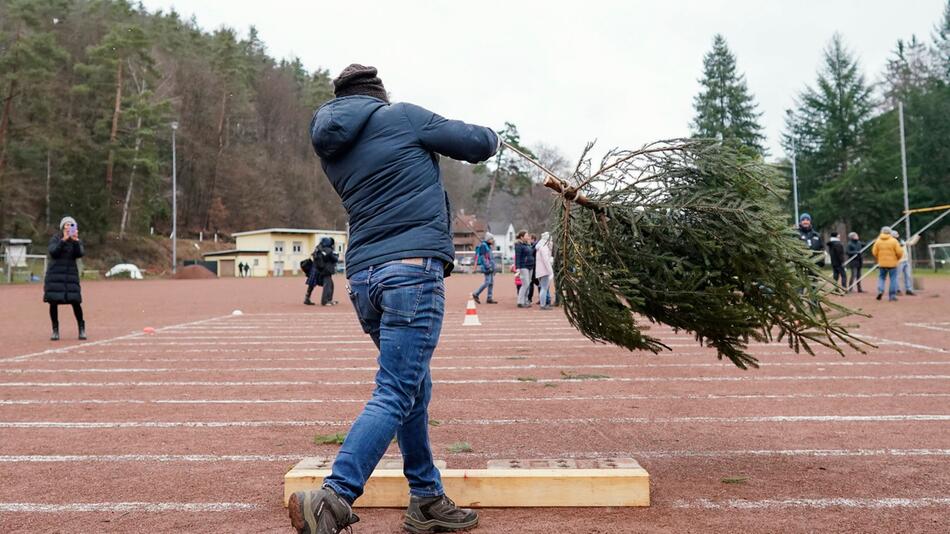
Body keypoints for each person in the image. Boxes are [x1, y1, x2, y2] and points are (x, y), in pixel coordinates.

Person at [290, 63, 498, 534]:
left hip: (364, 276)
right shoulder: (399, 116)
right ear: (377, 95)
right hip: (411, 272)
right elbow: (474, 143)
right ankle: (334, 496)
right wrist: (496, 138)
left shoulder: (330, 143)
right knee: (396, 391)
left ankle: (426, 498)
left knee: (413, 389)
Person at [44, 216, 86, 341]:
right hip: (55, 275)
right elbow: (53, 252)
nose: (69, 227)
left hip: (70, 275)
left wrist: (76, 241)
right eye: (67, 225)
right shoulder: (56, 238)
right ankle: (55, 330)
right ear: (62, 227)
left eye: (71, 225)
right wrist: (63, 240)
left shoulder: (76, 240)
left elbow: (79, 254)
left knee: (76, 302)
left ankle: (81, 328)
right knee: (53, 302)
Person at [872, 226, 903, 301]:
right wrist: (897, 258)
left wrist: (879, 257)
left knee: (881, 278)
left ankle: (880, 290)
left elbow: (874, 252)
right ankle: (892, 295)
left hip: (882, 263)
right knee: (893, 279)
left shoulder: (878, 241)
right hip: (892, 264)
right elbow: (899, 252)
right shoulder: (894, 241)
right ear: (890, 232)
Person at [471, 232, 497, 304]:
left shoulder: (489, 246)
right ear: (488, 239)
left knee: (491, 283)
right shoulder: (483, 246)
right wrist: (488, 266)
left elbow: (490, 257)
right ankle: (476, 293)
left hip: (491, 266)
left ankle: (489, 298)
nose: (493, 240)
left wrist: (494, 266)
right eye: (491, 239)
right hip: (487, 267)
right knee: (487, 282)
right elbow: (483, 258)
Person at [316, 237, 340, 305]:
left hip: (323, 270)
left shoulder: (321, 249)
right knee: (327, 286)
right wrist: (336, 256)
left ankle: (329, 299)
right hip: (327, 270)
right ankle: (325, 301)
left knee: (331, 285)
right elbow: (335, 259)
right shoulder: (328, 250)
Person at [891, 230, 915, 296]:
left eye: (897, 234)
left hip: (906, 260)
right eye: (895, 235)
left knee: (908, 276)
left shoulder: (901, 241)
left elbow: (911, 243)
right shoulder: (893, 243)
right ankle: (897, 290)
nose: (896, 235)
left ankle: (909, 289)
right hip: (899, 261)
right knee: (897, 276)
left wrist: (917, 236)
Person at [514, 230, 534, 308]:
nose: (528, 237)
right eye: (526, 235)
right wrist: (518, 268)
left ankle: (525, 301)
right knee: (525, 284)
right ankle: (520, 301)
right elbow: (517, 257)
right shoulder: (518, 245)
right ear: (522, 237)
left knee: (528, 284)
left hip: (530, 266)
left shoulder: (527, 245)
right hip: (523, 266)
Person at [534, 232, 554, 310]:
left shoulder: (540, 247)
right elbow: (546, 261)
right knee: (544, 288)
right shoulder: (544, 248)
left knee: (543, 288)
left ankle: (543, 304)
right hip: (544, 271)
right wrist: (550, 271)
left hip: (540, 271)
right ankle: (543, 305)